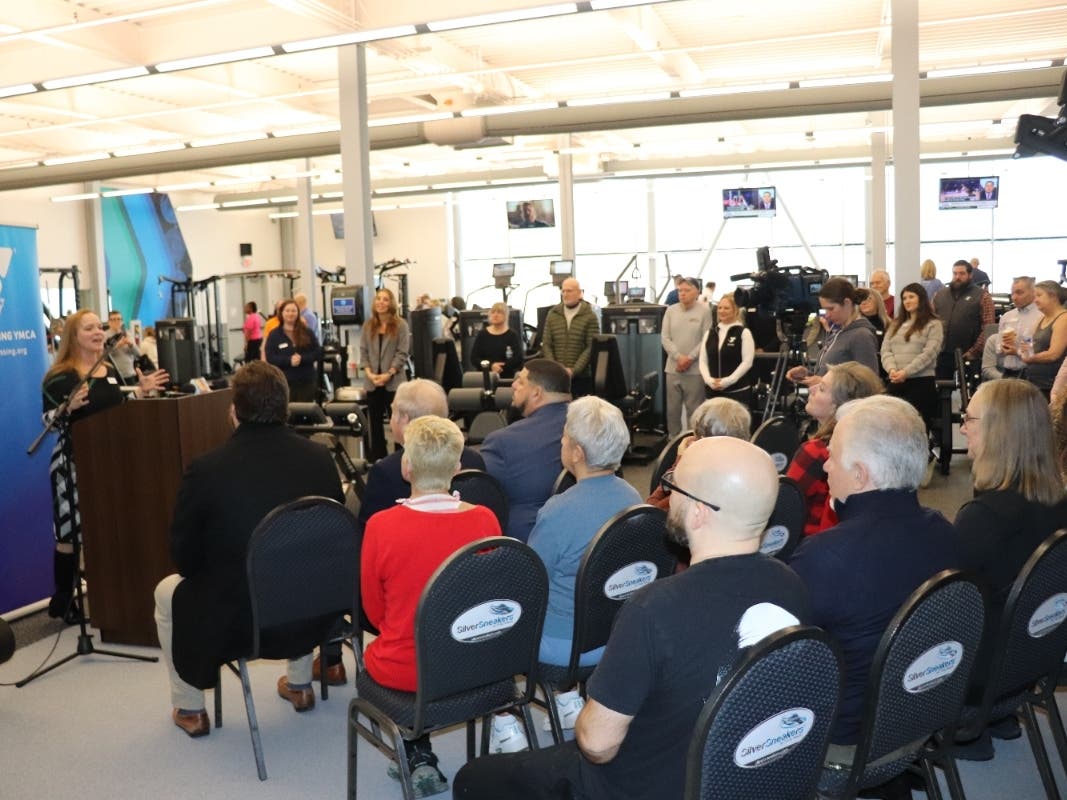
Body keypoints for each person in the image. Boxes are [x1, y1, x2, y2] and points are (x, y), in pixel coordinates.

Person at [453, 437, 809, 800]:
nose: (668, 498)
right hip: (732, 774)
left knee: (474, 778)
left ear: (700, 512)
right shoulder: (790, 584)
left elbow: (596, 744)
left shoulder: (655, 608)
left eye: (673, 486)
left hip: (640, 784)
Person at [153, 361, 343, 738]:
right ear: (286, 406)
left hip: (241, 622)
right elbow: (333, 540)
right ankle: (301, 684)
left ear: (234, 410)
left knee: (167, 592)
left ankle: (191, 708)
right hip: (314, 610)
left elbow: (185, 558)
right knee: (301, 565)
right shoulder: (320, 459)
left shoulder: (206, 470)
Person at [790, 395, 959, 755]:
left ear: (860, 474)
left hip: (846, 740)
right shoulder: (946, 532)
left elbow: (775, 661)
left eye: (832, 457)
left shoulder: (826, 556)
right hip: (921, 717)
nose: (825, 468)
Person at [362, 415, 501, 796]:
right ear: (457, 468)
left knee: (382, 650)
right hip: (477, 662)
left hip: (405, 670)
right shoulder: (486, 519)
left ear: (407, 466)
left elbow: (374, 613)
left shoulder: (381, 526)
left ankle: (414, 747)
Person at [955, 379, 1067, 757]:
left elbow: (944, 610)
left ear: (996, 432)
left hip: (981, 674)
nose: (962, 427)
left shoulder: (985, 517)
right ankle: (994, 715)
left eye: (968, 418)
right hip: (1033, 657)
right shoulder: (1059, 506)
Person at [41, 309, 169, 621]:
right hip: (72, 464)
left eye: (99, 327)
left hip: (110, 464)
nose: (98, 332)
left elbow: (117, 411)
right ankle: (63, 600)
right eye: (89, 328)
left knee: (108, 530)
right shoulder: (60, 377)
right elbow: (48, 421)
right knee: (70, 538)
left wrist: (140, 391)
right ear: (74, 336)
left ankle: (111, 595)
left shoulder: (108, 369)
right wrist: (66, 407)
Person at [357, 379, 485, 527]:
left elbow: (368, 531)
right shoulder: (475, 460)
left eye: (392, 412)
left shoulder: (385, 472)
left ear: (404, 419)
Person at [786, 362, 884, 536]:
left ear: (838, 405)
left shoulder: (815, 452)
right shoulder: (875, 446)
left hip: (808, 545)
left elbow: (786, 505)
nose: (812, 390)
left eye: (822, 389)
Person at [481, 359, 571, 543]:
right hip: (586, 539)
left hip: (527, 549)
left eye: (521, 381)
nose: (513, 385)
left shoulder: (503, 442)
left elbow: (482, 498)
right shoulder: (591, 430)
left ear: (536, 393)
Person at [646, 396, 752, 511]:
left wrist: (681, 461)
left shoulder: (696, 482)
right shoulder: (752, 468)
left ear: (701, 439)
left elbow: (651, 511)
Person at [786, 277, 880, 387]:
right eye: (824, 309)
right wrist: (807, 374)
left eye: (831, 309)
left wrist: (824, 383)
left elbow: (869, 383)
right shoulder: (838, 332)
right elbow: (831, 374)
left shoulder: (861, 336)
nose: (827, 315)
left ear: (847, 303)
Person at [880, 283, 944, 433]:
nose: (907, 301)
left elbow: (929, 353)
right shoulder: (895, 324)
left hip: (921, 382)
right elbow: (885, 350)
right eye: (904, 298)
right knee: (890, 424)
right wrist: (892, 369)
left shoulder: (934, 324)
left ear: (921, 299)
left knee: (916, 426)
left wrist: (906, 372)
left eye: (911, 297)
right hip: (896, 380)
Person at [360, 288, 410, 461]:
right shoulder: (368, 325)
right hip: (372, 381)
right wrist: (370, 374)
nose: (381, 302)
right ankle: (378, 458)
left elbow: (402, 353)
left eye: (385, 299)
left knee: (397, 421)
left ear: (391, 303)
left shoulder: (401, 325)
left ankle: (400, 458)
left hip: (394, 382)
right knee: (374, 424)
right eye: (378, 299)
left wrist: (388, 374)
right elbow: (363, 352)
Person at [660, 276, 712, 438]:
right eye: (680, 290)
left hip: (695, 369)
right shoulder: (670, 310)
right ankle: (672, 442)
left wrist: (689, 358)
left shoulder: (704, 310)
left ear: (697, 292)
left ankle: (694, 441)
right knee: (672, 410)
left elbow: (706, 338)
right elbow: (665, 338)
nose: (682, 293)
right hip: (673, 368)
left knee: (694, 410)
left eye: (687, 290)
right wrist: (678, 357)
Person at [932, 260, 994, 379]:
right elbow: (931, 322)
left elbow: (988, 328)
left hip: (969, 354)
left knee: (970, 395)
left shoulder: (983, 296)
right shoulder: (939, 295)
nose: (957, 277)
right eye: (955, 273)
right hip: (942, 353)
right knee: (942, 393)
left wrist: (974, 351)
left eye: (962, 273)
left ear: (970, 275)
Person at [1006, 280, 1067, 398]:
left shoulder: (1063, 319)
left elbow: (1054, 354)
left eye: (1039, 296)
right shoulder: (1041, 318)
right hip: (1034, 381)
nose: (1035, 300)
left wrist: (1031, 357)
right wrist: (1019, 350)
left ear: (1053, 296)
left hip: (1051, 384)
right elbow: (1029, 347)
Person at [541, 278, 599, 397]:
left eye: (569, 291)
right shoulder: (553, 314)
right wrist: (555, 369)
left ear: (579, 293)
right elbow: (547, 343)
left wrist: (574, 370)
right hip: (556, 378)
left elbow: (591, 347)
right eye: (563, 291)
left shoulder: (590, 316)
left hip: (581, 378)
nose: (565, 294)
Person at [698, 292, 754, 406]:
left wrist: (728, 381)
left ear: (735, 310)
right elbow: (703, 360)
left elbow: (747, 362)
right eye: (720, 308)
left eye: (726, 308)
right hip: (712, 392)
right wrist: (709, 380)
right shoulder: (710, 333)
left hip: (737, 391)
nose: (722, 311)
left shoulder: (744, 332)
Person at [265, 298, 322, 402]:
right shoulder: (274, 335)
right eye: (287, 311)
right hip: (284, 382)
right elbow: (270, 357)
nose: (290, 314)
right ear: (281, 313)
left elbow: (318, 352)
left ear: (298, 313)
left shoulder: (307, 332)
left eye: (293, 311)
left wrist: (302, 358)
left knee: (305, 412)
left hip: (306, 380)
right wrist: (288, 361)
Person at [997, 276, 1039, 378]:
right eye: (1012, 293)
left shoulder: (1042, 315)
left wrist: (1016, 351)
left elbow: (1043, 349)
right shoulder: (1007, 316)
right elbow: (998, 346)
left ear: (1033, 292)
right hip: (1008, 372)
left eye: (1019, 293)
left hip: (1031, 373)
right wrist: (1002, 347)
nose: (1014, 297)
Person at [469, 302, 524, 378]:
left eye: (499, 312)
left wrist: (501, 367)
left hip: (506, 377)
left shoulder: (512, 335)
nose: (495, 315)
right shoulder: (482, 334)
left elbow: (518, 358)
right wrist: (491, 366)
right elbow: (474, 358)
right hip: (484, 376)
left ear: (505, 316)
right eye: (493, 312)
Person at [105, 309, 141, 384]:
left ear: (122, 321)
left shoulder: (128, 334)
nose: (116, 321)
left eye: (119, 319)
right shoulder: (104, 336)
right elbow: (104, 355)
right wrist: (118, 345)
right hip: (113, 374)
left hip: (129, 374)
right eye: (113, 319)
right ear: (109, 322)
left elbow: (138, 354)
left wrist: (131, 345)